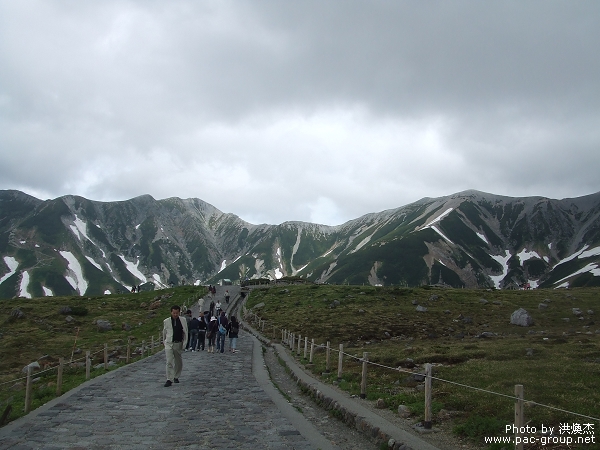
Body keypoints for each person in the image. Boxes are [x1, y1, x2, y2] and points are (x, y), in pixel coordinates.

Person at [162, 305, 188, 387]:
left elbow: (186, 332)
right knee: (169, 361)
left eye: (177, 313)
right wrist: (164, 341)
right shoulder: (166, 321)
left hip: (178, 343)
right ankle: (169, 379)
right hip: (169, 343)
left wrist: (185, 343)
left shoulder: (183, 320)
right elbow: (164, 332)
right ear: (171, 312)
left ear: (179, 312)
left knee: (178, 361)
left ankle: (176, 376)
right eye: (174, 313)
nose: (175, 314)